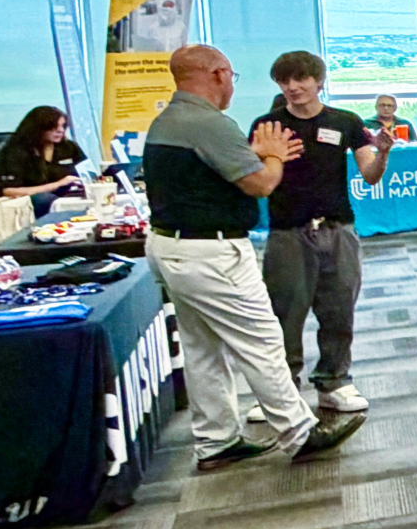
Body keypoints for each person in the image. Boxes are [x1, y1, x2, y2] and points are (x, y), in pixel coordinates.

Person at [144, 45, 363, 471]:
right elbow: (261, 184)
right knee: (263, 339)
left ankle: (216, 440)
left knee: (203, 349)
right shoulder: (210, 124)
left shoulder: (168, 119)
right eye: (232, 77)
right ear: (219, 74)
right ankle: (300, 432)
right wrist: (274, 155)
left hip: (172, 245)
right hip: (210, 251)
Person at [249, 50, 389, 417]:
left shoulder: (345, 121)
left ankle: (334, 382)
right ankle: (281, 394)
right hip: (287, 230)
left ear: (319, 82)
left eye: (300, 79)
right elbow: (255, 177)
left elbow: (370, 175)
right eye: (284, 81)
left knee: (339, 309)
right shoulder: (268, 125)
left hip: (337, 227)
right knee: (284, 314)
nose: (292, 87)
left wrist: (383, 153)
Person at [0, 106, 87, 217]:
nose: (60, 130)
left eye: (63, 126)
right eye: (54, 126)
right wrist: (58, 184)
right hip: (34, 205)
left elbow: (86, 171)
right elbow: (8, 191)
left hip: (69, 196)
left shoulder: (68, 147)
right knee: (44, 199)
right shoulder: (14, 152)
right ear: (38, 128)